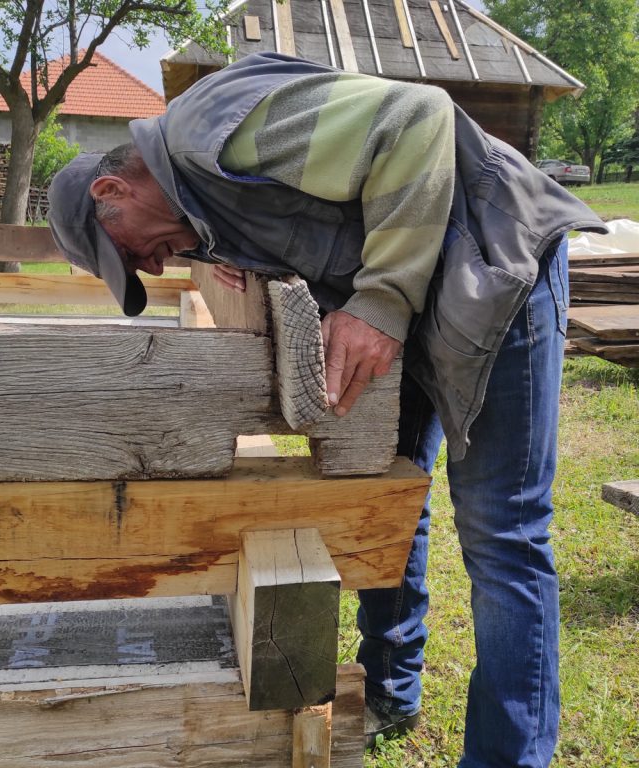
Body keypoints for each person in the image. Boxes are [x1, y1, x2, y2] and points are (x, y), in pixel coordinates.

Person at [47, 52, 606, 767]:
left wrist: (379, 300)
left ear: (112, 188)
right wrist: (236, 246)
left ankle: (507, 757)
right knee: (386, 490)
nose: (152, 269)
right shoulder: (201, 195)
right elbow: (316, 207)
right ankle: (390, 690)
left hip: (496, 268)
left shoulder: (211, 133)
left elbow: (418, 120)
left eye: (129, 252)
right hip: (428, 291)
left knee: (503, 531)